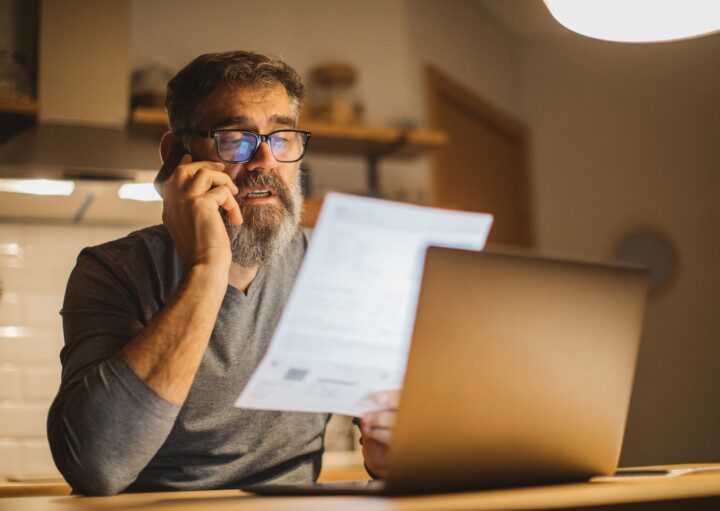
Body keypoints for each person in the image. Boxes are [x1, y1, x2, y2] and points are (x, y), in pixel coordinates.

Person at [48, 50, 399, 496]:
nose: (264, 162)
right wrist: (208, 266)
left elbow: (394, 441)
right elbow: (96, 466)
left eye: (282, 137)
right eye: (235, 138)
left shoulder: (327, 268)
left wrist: (392, 456)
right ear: (177, 153)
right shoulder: (112, 271)